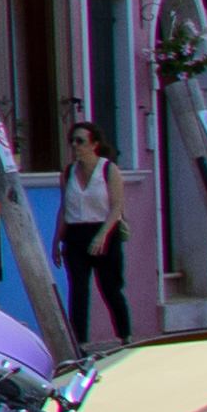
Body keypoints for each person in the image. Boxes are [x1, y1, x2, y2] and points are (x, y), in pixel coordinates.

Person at [55, 118, 131, 348]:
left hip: (104, 231)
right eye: (72, 141)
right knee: (78, 289)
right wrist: (56, 241)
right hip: (76, 234)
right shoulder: (68, 172)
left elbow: (117, 206)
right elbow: (64, 208)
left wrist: (102, 236)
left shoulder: (108, 170)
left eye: (80, 141)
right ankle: (80, 341)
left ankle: (125, 335)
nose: (75, 145)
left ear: (94, 143)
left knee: (110, 288)